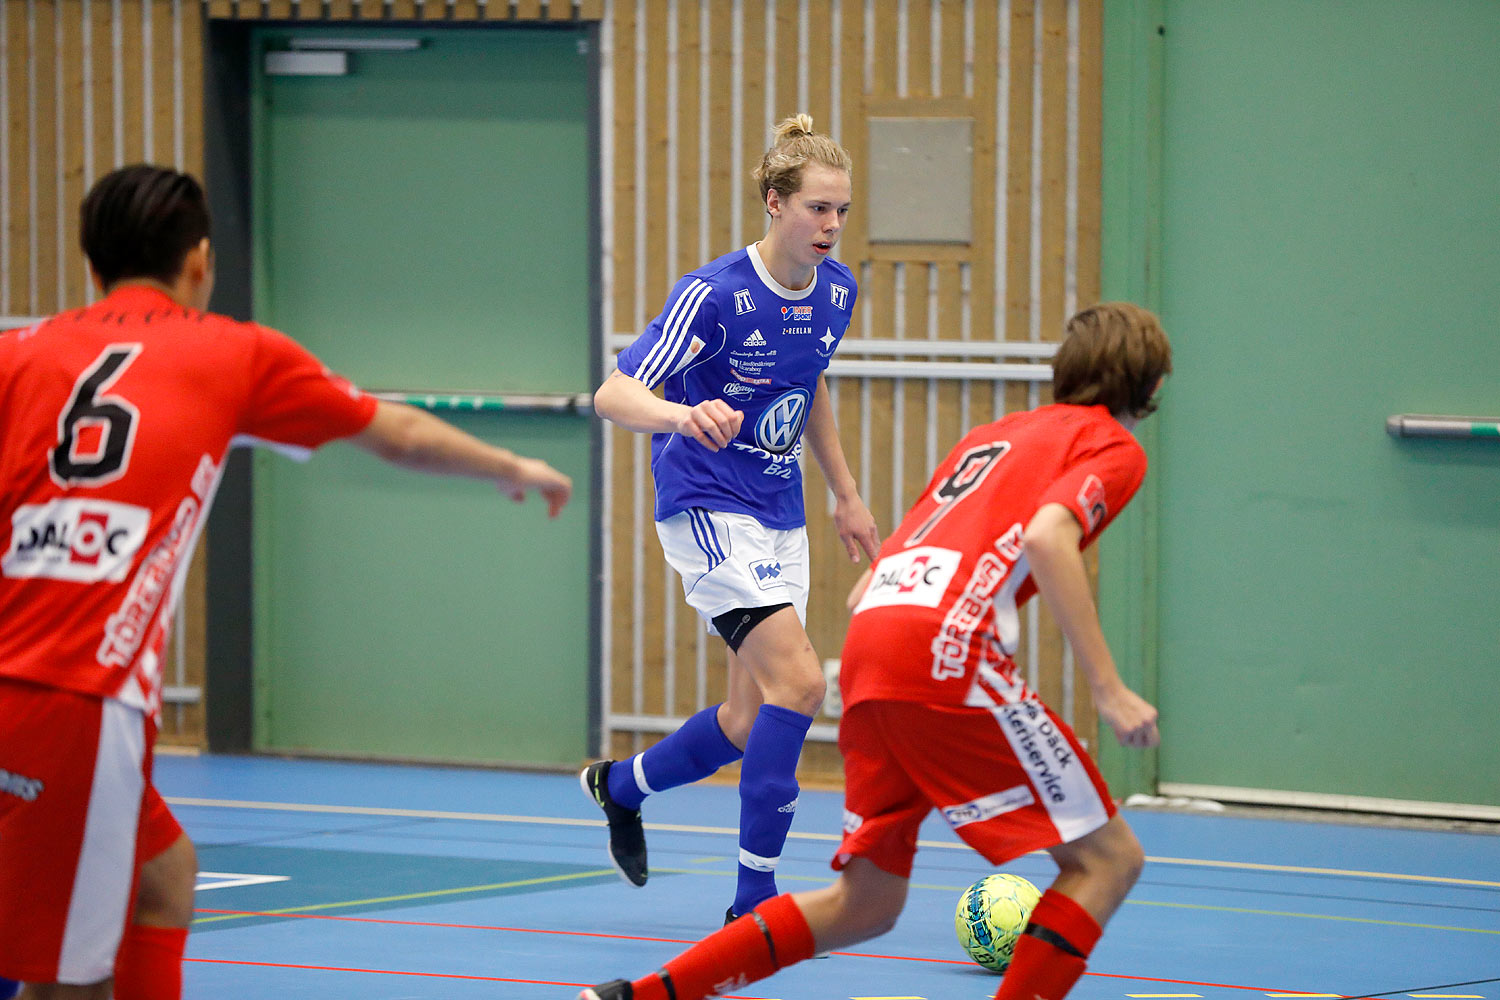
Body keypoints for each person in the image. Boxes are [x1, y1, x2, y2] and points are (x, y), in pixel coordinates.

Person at [0, 164, 573, 1000]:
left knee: (163, 874)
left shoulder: (19, 352)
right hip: (75, 694)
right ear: (200, 261)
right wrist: (510, 465)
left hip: (21, 675)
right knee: (68, 984)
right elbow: (398, 432)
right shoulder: (229, 351)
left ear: (90, 265)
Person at [578, 301, 1172, 1000]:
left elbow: (887, 572)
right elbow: (1048, 538)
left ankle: (634, 996)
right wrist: (1107, 687)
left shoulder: (997, 435)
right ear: (1149, 387)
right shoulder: (1112, 446)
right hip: (944, 650)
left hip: (876, 637)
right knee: (1108, 860)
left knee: (865, 904)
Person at [582, 114, 880, 923]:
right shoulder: (712, 295)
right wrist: (681, 417)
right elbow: (614, 393)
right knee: (803, 682)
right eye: (818, 208)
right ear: (775, 204)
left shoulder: (838, 291)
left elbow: (810, 381)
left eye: (843, 210)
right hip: (708, 506)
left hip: (780, 510)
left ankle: (621, 787)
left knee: (750, 721)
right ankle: (754, 900)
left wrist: (844, 492)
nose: (832, 225)